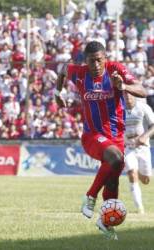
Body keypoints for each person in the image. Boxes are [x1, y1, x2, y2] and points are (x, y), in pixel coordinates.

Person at [55, 41, 147, 239]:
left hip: (116, 137)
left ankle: (105, 223)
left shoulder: (116, 70)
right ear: (85, 61)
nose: (96, 65)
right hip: (92, 136)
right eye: (91, 61)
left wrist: (123, 86)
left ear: (105, 58)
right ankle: (90, 196)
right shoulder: (78, 73)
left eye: (99, 60)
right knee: (115, 159)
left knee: (113, 181)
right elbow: (61, 69)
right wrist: (57, 92)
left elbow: (142, 91)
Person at [124, 92, 154, 214]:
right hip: (128, 148)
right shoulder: (119, 108)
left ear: (135, 96)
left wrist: (144, 136)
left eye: (130, 95)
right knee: (132, 173)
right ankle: (140, 208)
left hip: (143, 148)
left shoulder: (143, 107)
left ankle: (143, 174)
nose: (128, 98)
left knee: (146, 180)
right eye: (125, 96)